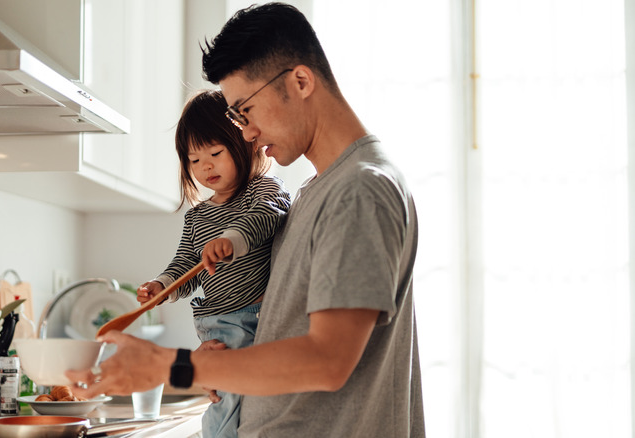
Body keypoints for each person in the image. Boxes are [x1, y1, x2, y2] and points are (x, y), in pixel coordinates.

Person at [68, 3, 425, 437]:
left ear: (300, 81)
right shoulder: (319, 191)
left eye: (245, 111)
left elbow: (327, 361)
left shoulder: (358, 190)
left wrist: (174, 365)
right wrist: (221, 362)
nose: (246, 132)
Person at [134, 89, 291, 438]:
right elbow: (185, 264)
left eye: (215, 153)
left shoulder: (264, 189)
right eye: (193, 160)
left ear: (246, 143)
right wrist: (163, 287)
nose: (205, 166)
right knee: (227, 402)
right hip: (216, 324)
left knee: (237, 402)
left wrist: (232, 241)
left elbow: (268, 215)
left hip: (251, 316)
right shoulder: (197, 218)